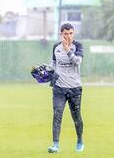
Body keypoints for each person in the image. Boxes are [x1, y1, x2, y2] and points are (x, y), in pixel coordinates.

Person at [47, 23, 84, 153]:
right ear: (61, 34)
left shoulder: (78, 46)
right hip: (59, 88)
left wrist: (67, 49)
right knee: (57, 115)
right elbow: (53, 63)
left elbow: (77, 62)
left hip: (74, 88)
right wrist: (46, 70)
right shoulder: (55, 47)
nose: (68, 36)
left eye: (70, 33)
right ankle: (55, 145)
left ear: (73, 33)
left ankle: (80, 140)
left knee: (76, 117)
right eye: (65, 34)